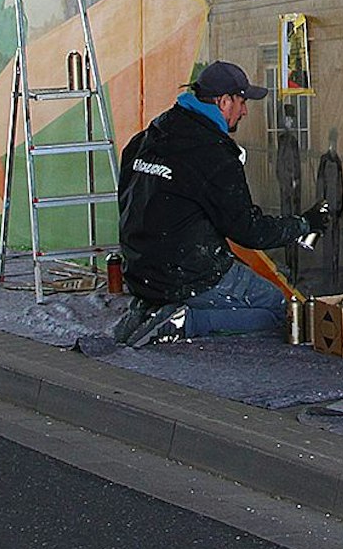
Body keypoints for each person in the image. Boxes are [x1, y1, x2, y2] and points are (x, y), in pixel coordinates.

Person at [111, 60, 331, 347]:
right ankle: (184, 321)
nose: (245, 110)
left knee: (223, 276)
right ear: (223, 101)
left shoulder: (148, 137)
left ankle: (150, 309)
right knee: (280, 309)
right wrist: (303, 224)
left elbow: (129, 201)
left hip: (142, 270)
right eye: (241, 101)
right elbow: (248, 230)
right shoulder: (212, 153)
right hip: (187, 274)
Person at [314, 128, 343, 292]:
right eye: (332, 141)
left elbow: (340, 186)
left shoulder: (338, 161)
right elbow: (320, 185)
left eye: (335, 141)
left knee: (335, 246)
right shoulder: (324, 160)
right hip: (327, 209)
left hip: (336, 209)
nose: (334, 144)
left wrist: (340, 206)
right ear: (329, 142)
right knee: (327, 246)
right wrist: (322, 206)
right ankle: (327, 279)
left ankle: (335, 278)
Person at [274, 104, 302, 277]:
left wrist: (296, 182)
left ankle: (294, 267)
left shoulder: (293, 141)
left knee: (295, 228)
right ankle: (289, 266)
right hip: (285, 190)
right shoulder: (283, 140)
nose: (289, 122)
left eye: (291, 119)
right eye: (287, 119)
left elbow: (297, 166)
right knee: (287, 228)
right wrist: (286, 182)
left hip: (294, 190)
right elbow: (280, 166)